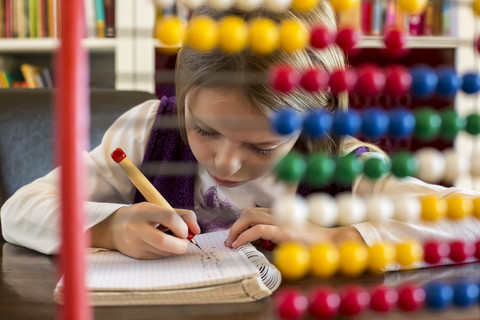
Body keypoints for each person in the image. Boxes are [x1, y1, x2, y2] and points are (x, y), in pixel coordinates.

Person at [2, 3, 480, 265]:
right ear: (183, 94)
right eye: (205, 130)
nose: (225, 163)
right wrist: (108, 227)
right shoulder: (148, 127)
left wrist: (335, 241)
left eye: (262, 146)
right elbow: (18, 209)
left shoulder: (344, 160)